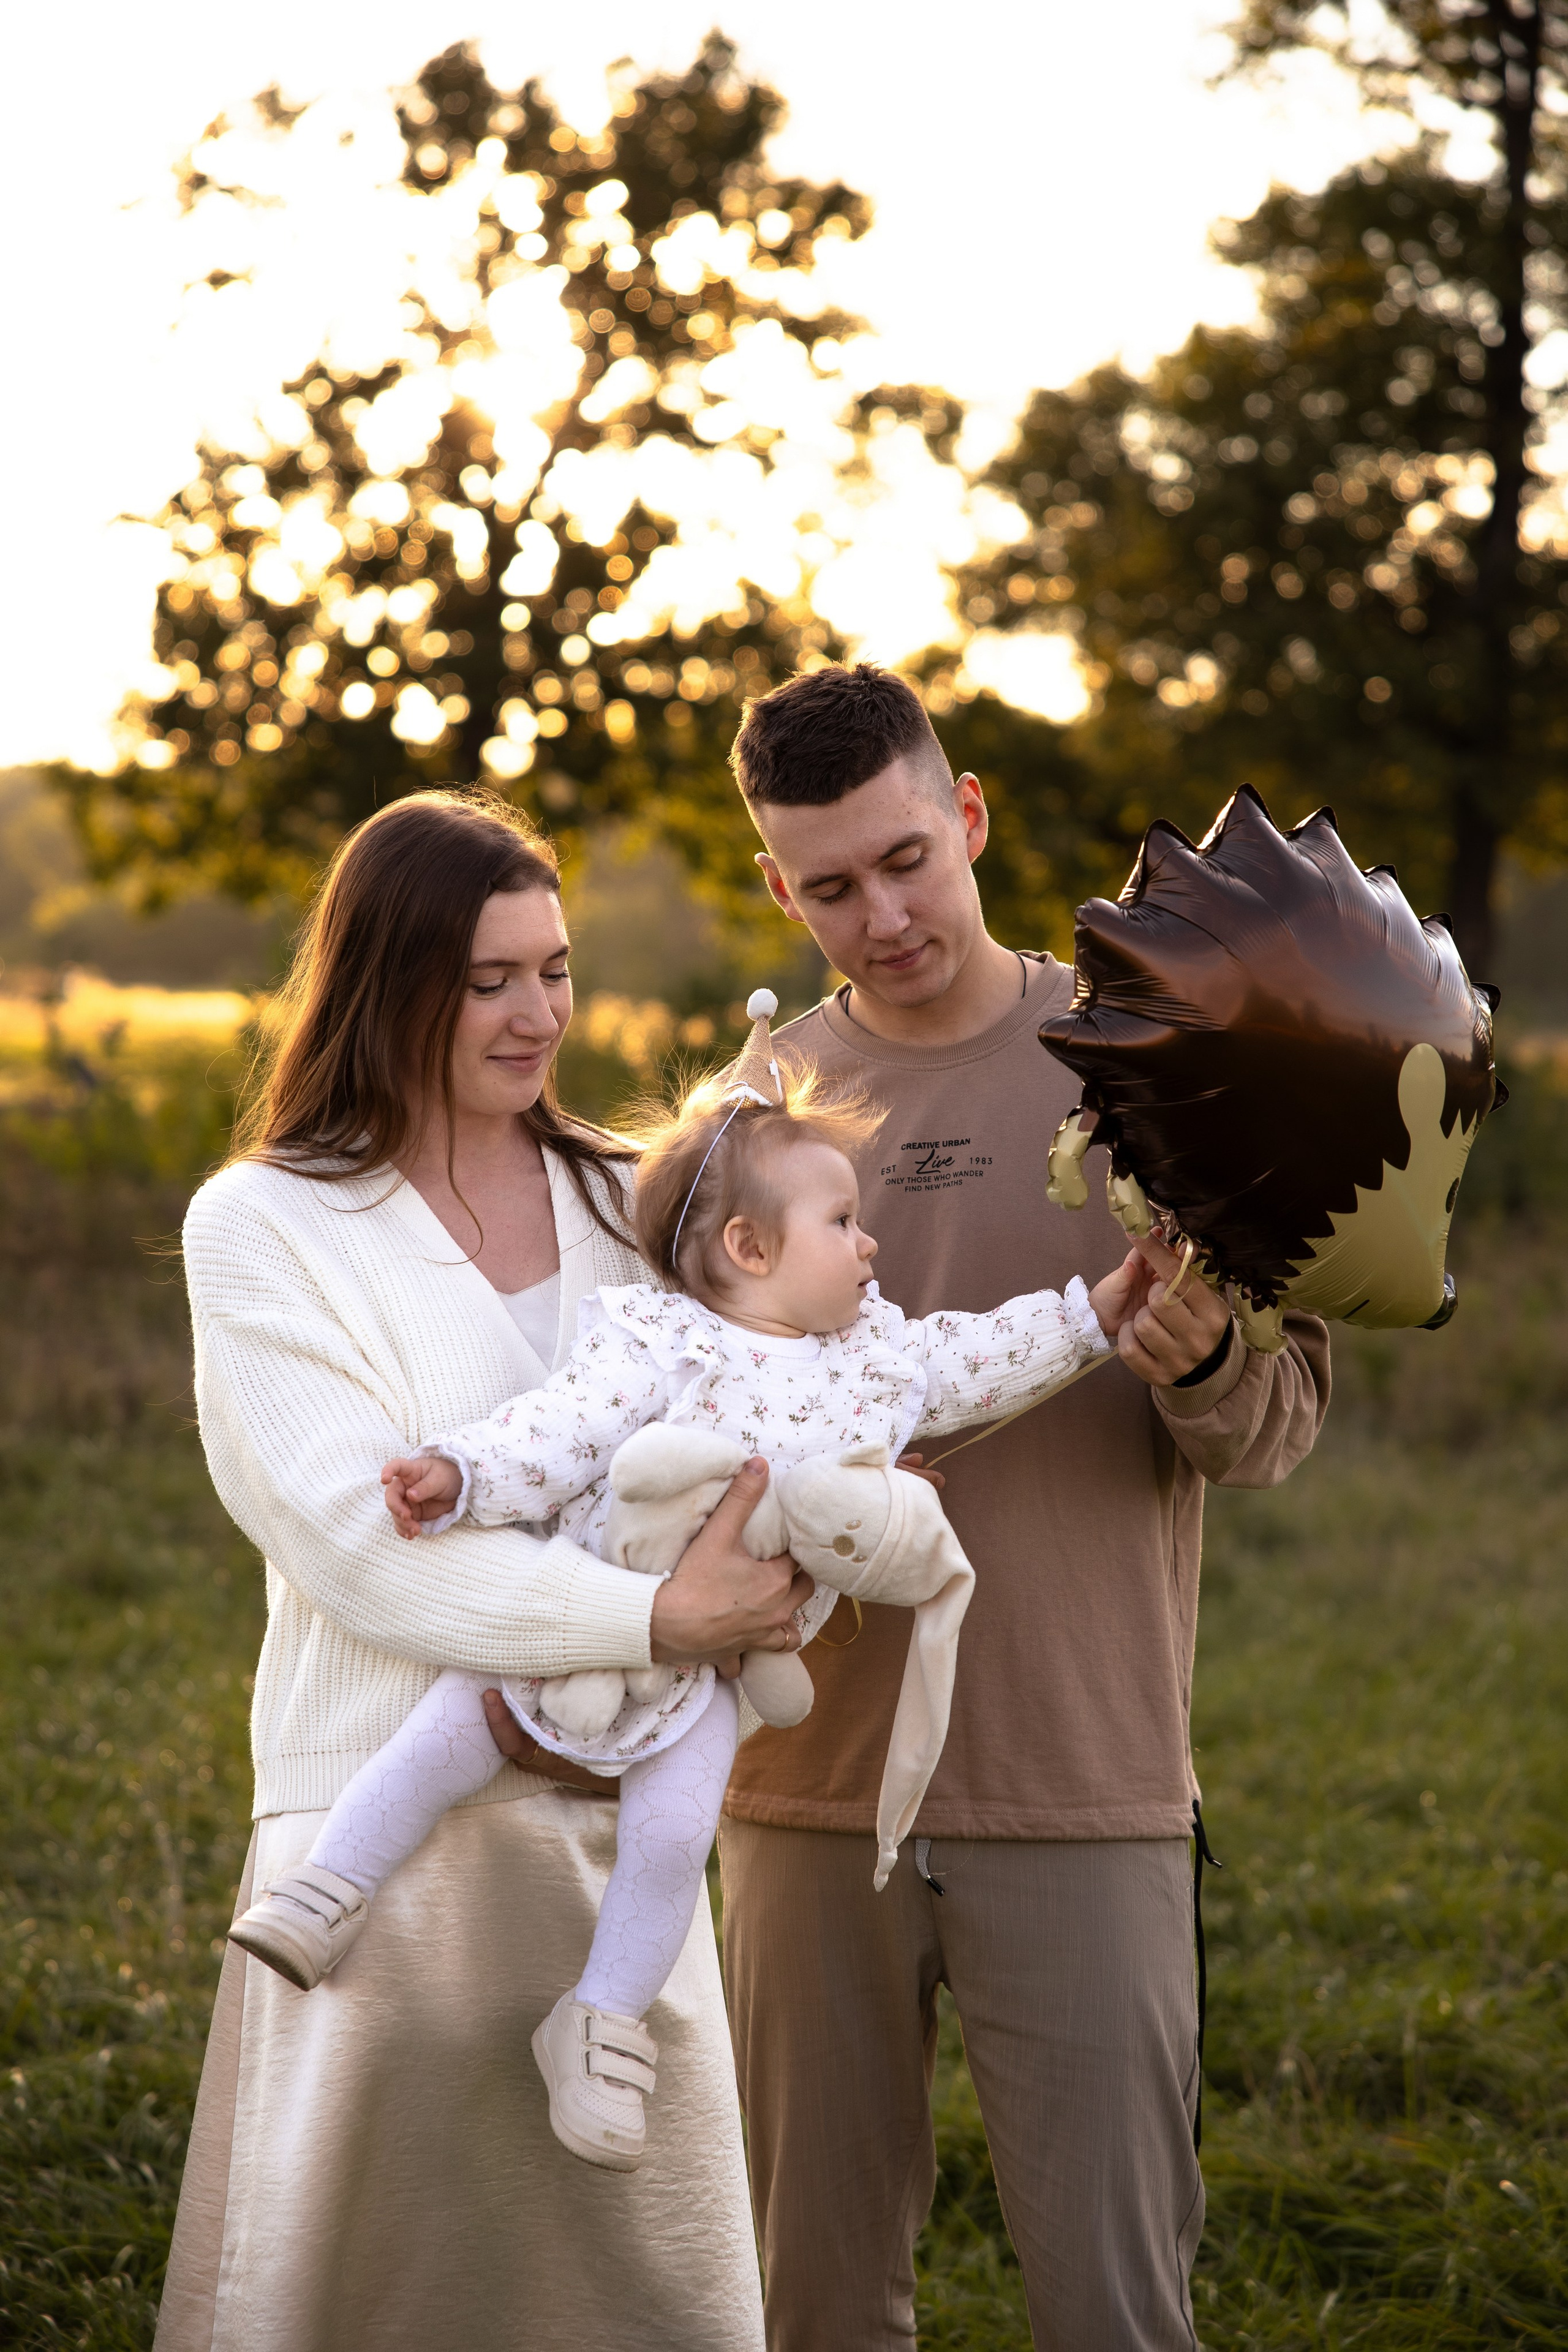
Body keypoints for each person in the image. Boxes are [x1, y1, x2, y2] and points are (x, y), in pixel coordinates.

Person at [227, 1005, 1141, 2176]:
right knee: (443, 1738)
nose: (871, 1246)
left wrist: (1090, 1317)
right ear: (750, 1249)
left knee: (672, 1839)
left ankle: (601, 2024)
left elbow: (980, 1355)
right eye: (842, 1222)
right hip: (585, 1613)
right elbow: (558, 1430)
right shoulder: (662, 1341)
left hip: (710, 1678)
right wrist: (462, 1474)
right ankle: (329, 1888)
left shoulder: (878, 1356)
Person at [722, 666, 1329, 2350]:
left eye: (906, 859)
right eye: (829, 886)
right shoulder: (752, 1114)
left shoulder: (1160, 1059)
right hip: (803, 1793)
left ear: (969, 816)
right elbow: (673, 1416)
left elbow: (1275, 1429)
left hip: (1083, 1780)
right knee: (812, 2309)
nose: (881, 916)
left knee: (1114, 2312)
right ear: (776, 888)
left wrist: (1203, 1363)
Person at [156, 791, 808, 2352]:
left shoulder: (632, 1199)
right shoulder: (264, 1225)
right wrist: (651, 1618)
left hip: (621, 1847)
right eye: (487, 980)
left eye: (555, 970)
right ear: (387, 983)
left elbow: (772, 1413)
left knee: (630, 2301)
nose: (539, 1015)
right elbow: (359, 1544)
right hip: (384, 1842)